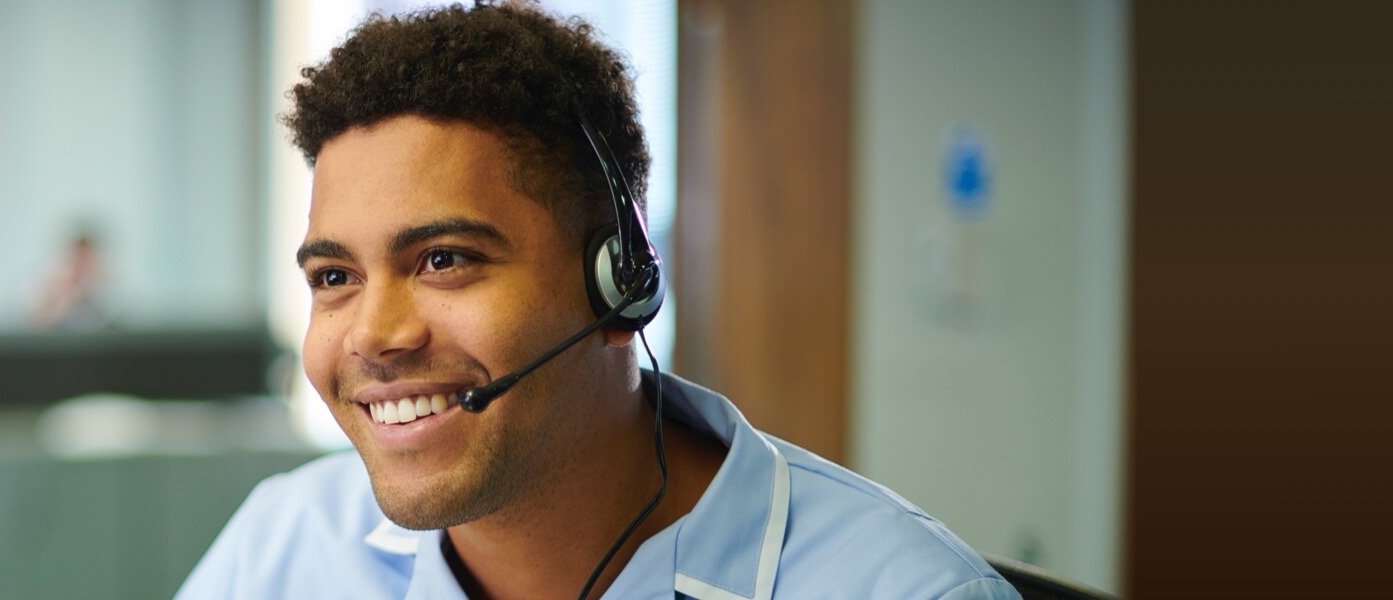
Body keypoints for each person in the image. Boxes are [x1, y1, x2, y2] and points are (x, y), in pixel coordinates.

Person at [177, 4, 1013, 599]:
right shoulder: (285, 546)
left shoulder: (901, 589)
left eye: (444, 259)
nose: (375, 336)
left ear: (621, 282)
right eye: (335, 278)